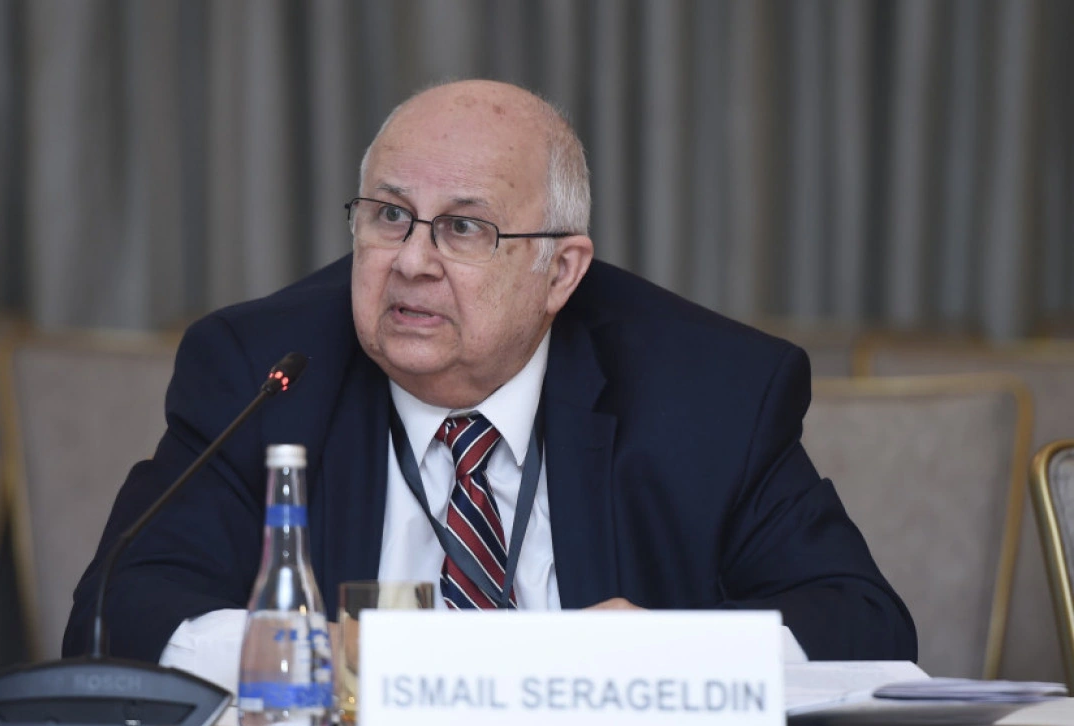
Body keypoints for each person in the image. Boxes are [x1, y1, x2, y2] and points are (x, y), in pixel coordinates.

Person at [64, 80, 916, 689]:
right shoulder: (266, 371)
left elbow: (863, 626)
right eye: (389, 216)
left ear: (560, 271)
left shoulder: (708, 391)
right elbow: (118, 612)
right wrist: (343, 660)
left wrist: (663, 651)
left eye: (465, 228)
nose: (412, 261)